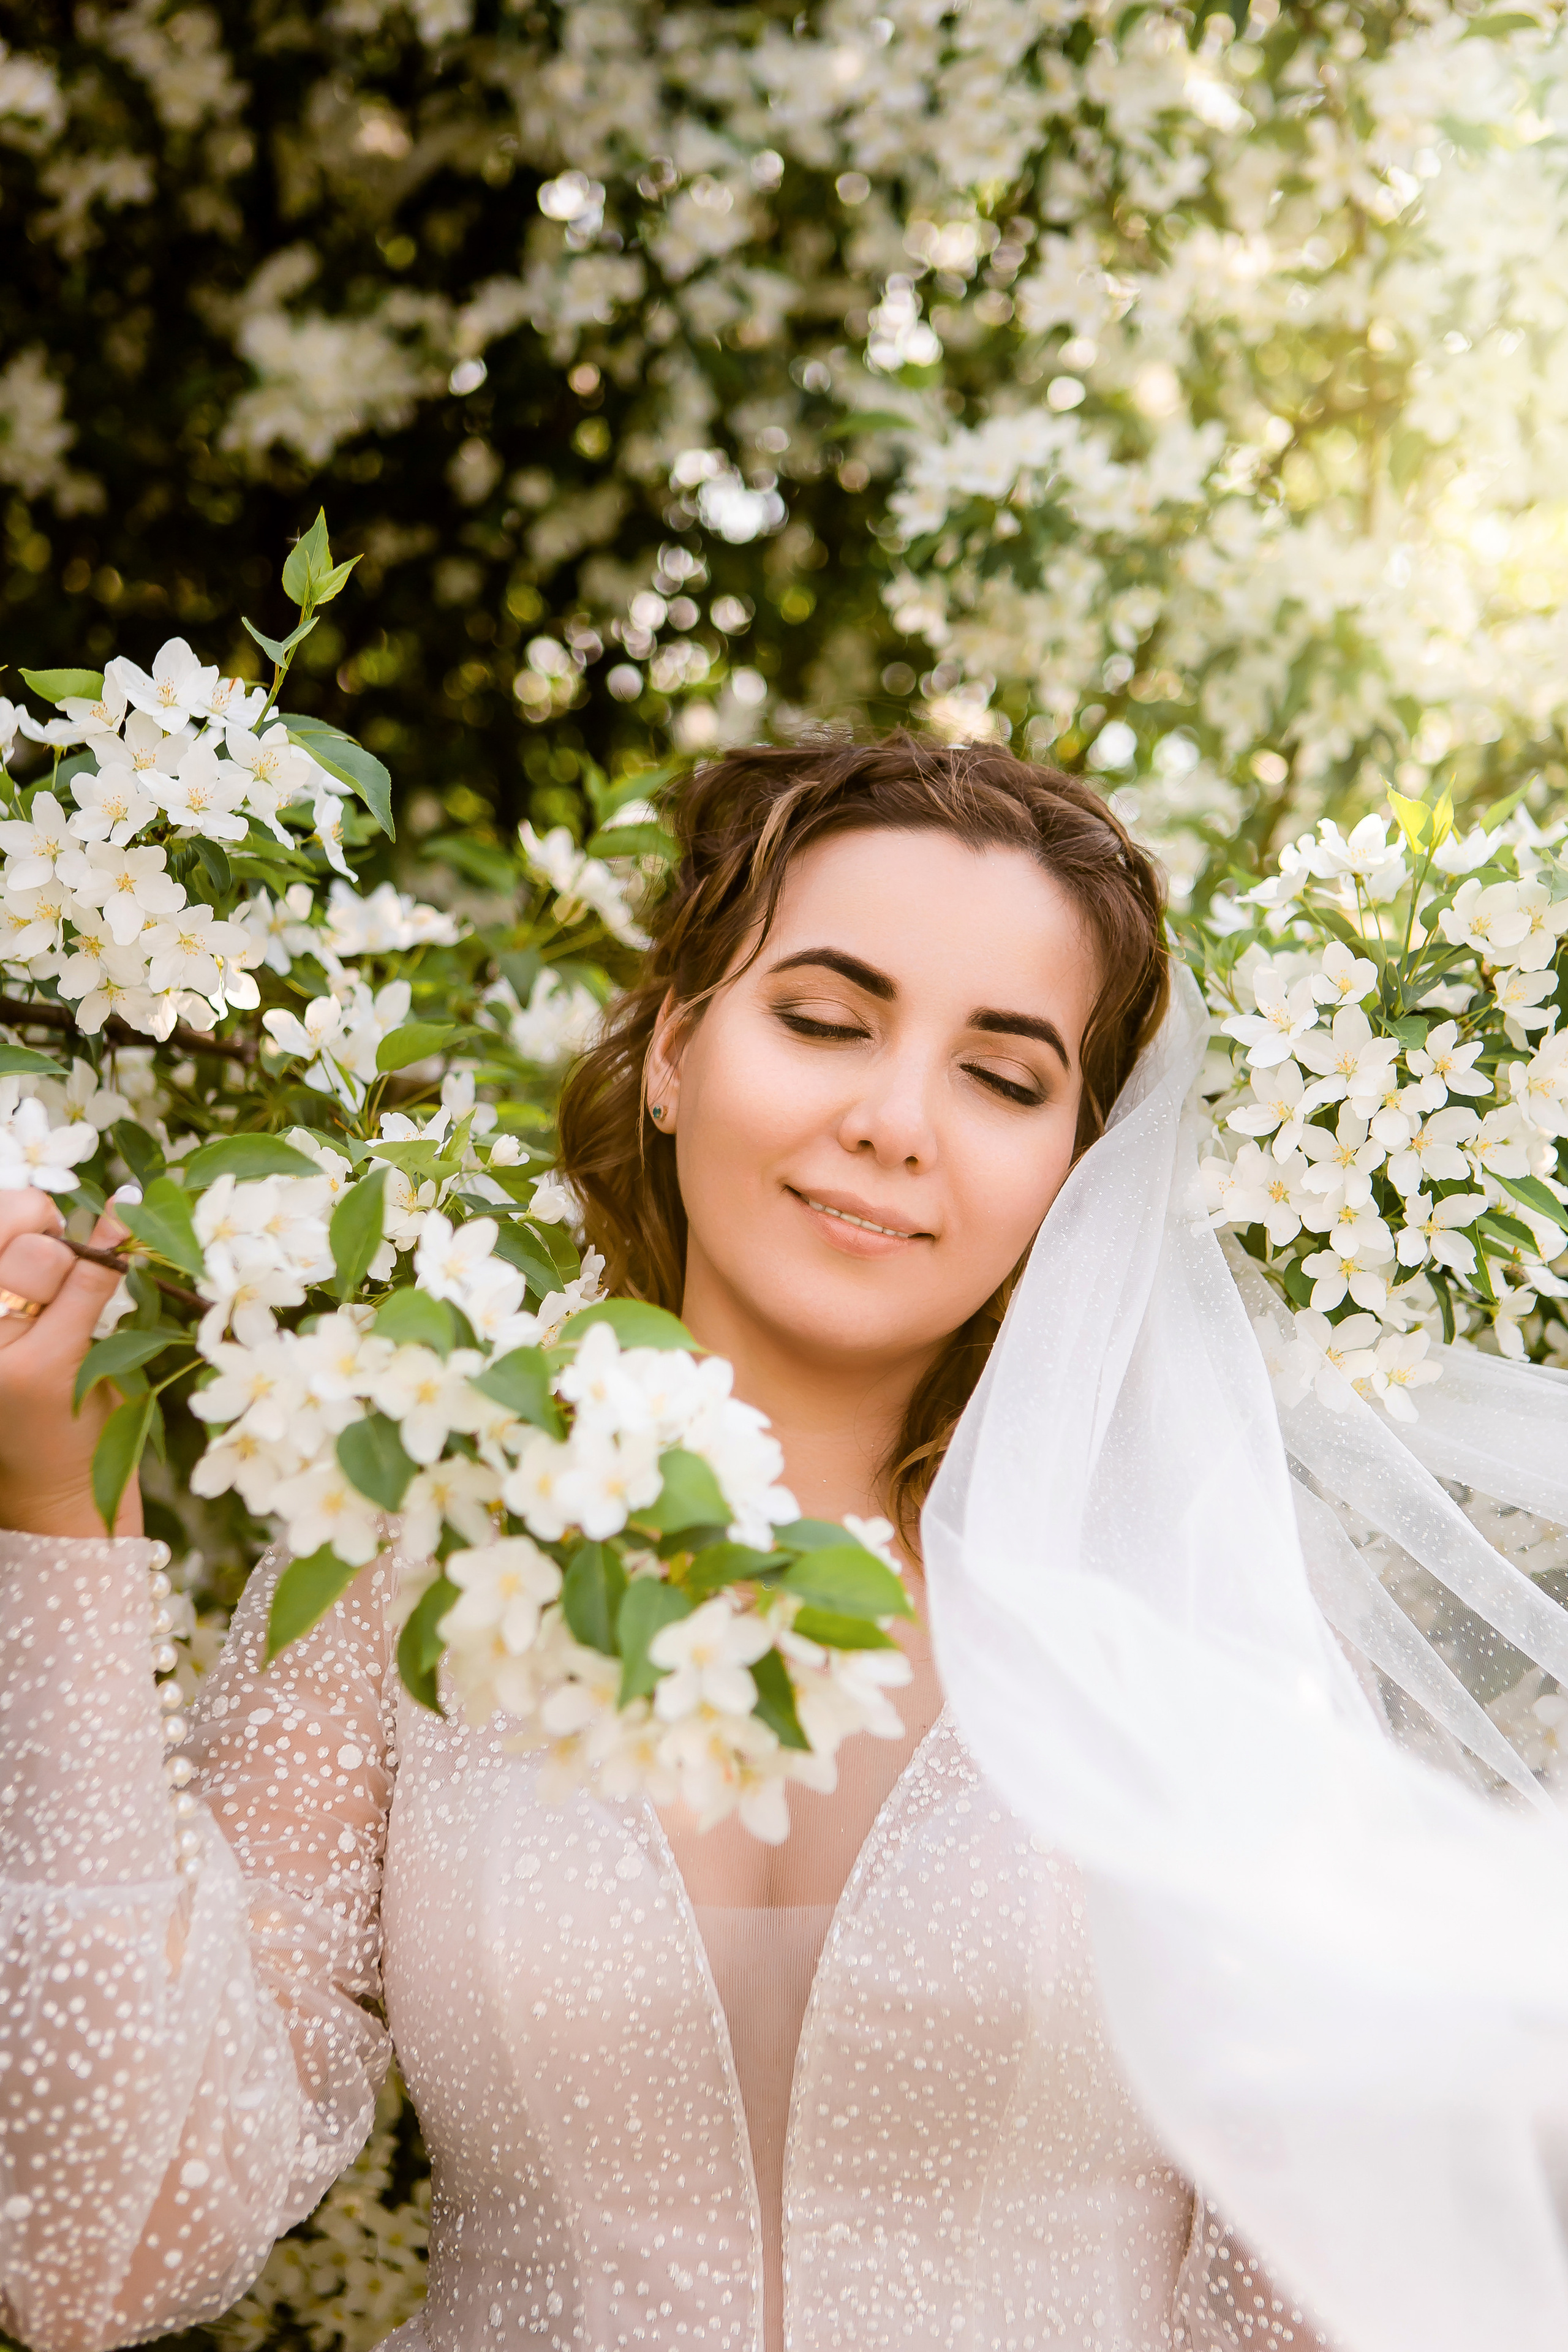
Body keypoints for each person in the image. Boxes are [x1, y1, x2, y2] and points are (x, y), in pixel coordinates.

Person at [2, 734, 1567, 2352]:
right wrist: (61, 1523)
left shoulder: (1188, 1620)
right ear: (674, 1047)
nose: (896, 1120)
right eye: (825, 1019)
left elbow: (1316, 2311)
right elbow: (102, 2250)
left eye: (1004, 1075)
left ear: (1076, 1175)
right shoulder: (421, 1561)